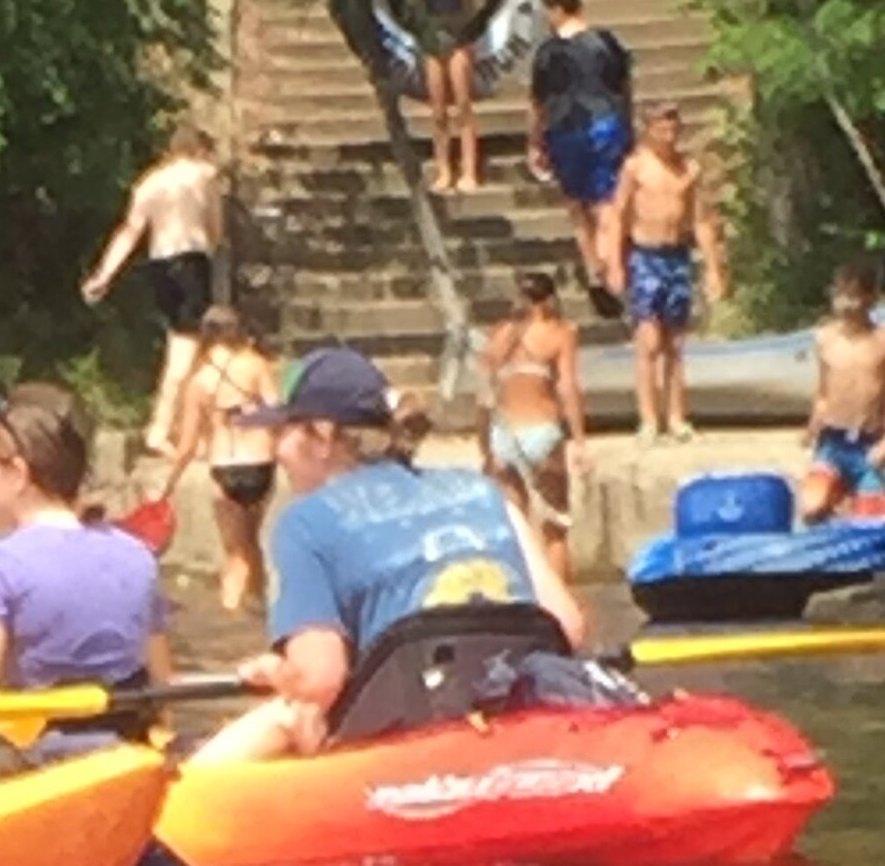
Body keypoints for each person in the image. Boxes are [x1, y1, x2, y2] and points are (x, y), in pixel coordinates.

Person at [191, 344, 587, 769]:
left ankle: (166, 819)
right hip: (515, 719)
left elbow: (321, 680)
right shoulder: (484, 492)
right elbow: (567, 625)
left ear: (322, 437)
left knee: (286, 718)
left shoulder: (304, 524)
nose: (276, 451)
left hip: (403, 744)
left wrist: (277, 673)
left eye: (282, 432)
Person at [0, 384, 172, 703]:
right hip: (127, 742)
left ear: (18, 474)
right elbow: (163, 690)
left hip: (35, 750)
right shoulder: (138, 557)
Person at [80, 126, 227, 455]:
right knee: (185, 350)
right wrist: (214, 247)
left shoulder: (148, 183)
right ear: (200, 150)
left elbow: (130, 232)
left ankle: (188, 428)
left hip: (159, 263)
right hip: (191, 259)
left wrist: (104, 275)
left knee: (185, 343)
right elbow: (216, 228)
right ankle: (160, 430)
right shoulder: (203, 174)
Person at [605, 103, 727, 444]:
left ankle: (676, 415)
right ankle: (648, 417)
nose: (669, 136)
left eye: (674, 129)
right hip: (646, 255)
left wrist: (713, 268)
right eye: (662, 129)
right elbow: (618, 215)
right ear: (649, 130)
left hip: (677, 255)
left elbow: (701, 220)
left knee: (675, 342)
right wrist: (615, 261)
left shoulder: (688, 168)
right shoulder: (636, 167)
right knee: (649, 340)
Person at [162, 306, 281, 614]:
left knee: (235, 552)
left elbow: (187, 444)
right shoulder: (256, 365)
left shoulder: (198, 380)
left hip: (224, 467)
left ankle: (232, 616)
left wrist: (167, 485)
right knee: (251, 541)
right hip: (260, 462)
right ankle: (262, 613)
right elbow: (277, 414)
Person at [527, 0, 635, 309]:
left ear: (557, 9)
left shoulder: (548, 53)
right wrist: (627, 123)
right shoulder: (605, 42)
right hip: (607, 124)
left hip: (567, 128)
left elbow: (537, 103)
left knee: (577, 206)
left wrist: (534, 142)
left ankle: (593, 270)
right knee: (607, 202)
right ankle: (613, 268)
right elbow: (625, 85)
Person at [479, 267, 586, 550]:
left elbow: (485, 394)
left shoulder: (499, 335)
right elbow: (567, 387)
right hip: (541, 429)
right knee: (556, 525)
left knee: (517, 530)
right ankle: (559, 593)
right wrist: (578, 439)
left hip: (503, 434)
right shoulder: (561, 333)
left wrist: (484, 448)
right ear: (550, 300)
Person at [798, 262, 885, 522]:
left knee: (872, 521)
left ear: (871, 298)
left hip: (868, 442)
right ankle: (836, 499)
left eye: (853, 296)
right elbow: (824, 394)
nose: (846, 305)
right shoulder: (825, 338)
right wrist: (811, 430)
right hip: (832, 440)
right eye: (840, 296)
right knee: (812, 505)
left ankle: (856, 498)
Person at [394, 0, 489, 194]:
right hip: (431, 44)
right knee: (437, 111)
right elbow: (412, 9)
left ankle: (469, 168)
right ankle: (443, 168)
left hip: (457, 41)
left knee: (462, 106)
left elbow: (471, 11)